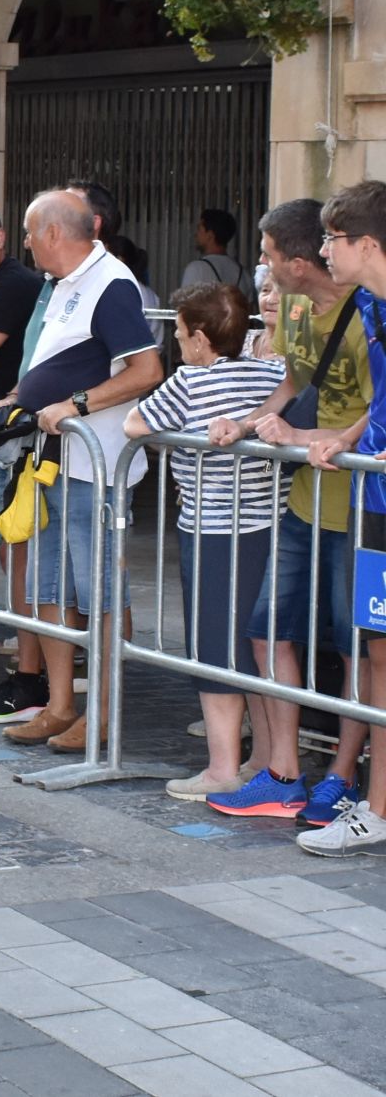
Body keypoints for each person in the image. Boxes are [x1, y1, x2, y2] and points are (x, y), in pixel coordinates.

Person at [207, 199, 373, 824]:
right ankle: (282, 772)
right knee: (265, 627)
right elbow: (297, 383)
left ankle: (342, 776)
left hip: (359, 509)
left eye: (270, 256)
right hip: (306, 503)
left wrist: (304, 440)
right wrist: (248, 422)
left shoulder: (369, 315)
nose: (263, 267)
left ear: (300, 264)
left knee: (358, 647)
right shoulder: (300, 307)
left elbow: (375, 411)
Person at [2, 190, 163, 750]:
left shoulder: (111, 283)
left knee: (99, 590)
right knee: (49, 581)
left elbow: (147, 369)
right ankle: (62, 705)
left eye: (27, 231)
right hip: (56, 461)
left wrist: (78, 404)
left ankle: (104, 715)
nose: (24, 242)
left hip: (95, 466)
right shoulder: (66, 283)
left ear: (52, 233)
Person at [123, 282, 285, 801]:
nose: (177, 343)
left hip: (213, 530)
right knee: (259, 646)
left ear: (197, 339)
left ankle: (221, 766)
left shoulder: (189, 382)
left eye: (178, 333)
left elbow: (134, 424)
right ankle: (263, 754)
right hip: (271, 526)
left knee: (216, 648)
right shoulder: (272, 373)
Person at [298, 179, 386, 856]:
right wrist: (353, 435)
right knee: (378, 653)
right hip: (375, 500)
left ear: (366, 244)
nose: (322, 249)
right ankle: (377, 805)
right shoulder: (368, 303)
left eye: (332, 238)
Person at [181, 207, 254, 298]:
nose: (195, 234)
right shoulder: (243, 274)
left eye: (199, 229)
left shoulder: (196, 269)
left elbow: (184, 308)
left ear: (210, 235)